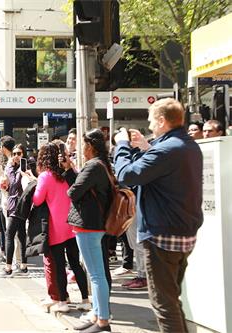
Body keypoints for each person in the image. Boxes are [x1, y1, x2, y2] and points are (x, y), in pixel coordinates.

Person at [114, 98, 203, 333]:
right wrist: (146, 147)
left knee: (163, 304)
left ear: (163, 121)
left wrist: (121, 145)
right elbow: (161, 170)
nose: (151, 125)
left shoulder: (167, 150)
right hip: (183, 232)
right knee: (172, 299)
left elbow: (127, 175)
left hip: (161, 236)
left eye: (152, 121)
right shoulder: (188, 145)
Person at [25, 143, 90, 313]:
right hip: (73, 225)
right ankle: (85, 299)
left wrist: (33, 182)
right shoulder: (68, 174)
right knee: (75, 264)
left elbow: (37, 200)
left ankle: (63, 301)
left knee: (60, 266)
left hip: (55, 228)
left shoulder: (45, 176)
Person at [64, 129, 114, 333]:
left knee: (96, 275)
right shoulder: (102, 165)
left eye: (83, 144)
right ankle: (97, 314)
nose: (81, 148)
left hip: (88, 225)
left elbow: (72, 192)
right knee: (97, 273)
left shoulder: (93, 166)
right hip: (94, 225)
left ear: (90, 146)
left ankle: (102, 321)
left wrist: (74, 177)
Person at [0, 144, 28, 278]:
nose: (16, 156)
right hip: (11, 204)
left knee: (9, 234)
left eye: (19, 153)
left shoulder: (27, 167)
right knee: (20, 235)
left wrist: (24, 172)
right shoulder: (9, 167)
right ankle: (23, 265)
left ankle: (8, 267)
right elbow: (8, 185)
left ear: (23, 155)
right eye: (14, 153)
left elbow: (23, 184)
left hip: (21, 204)